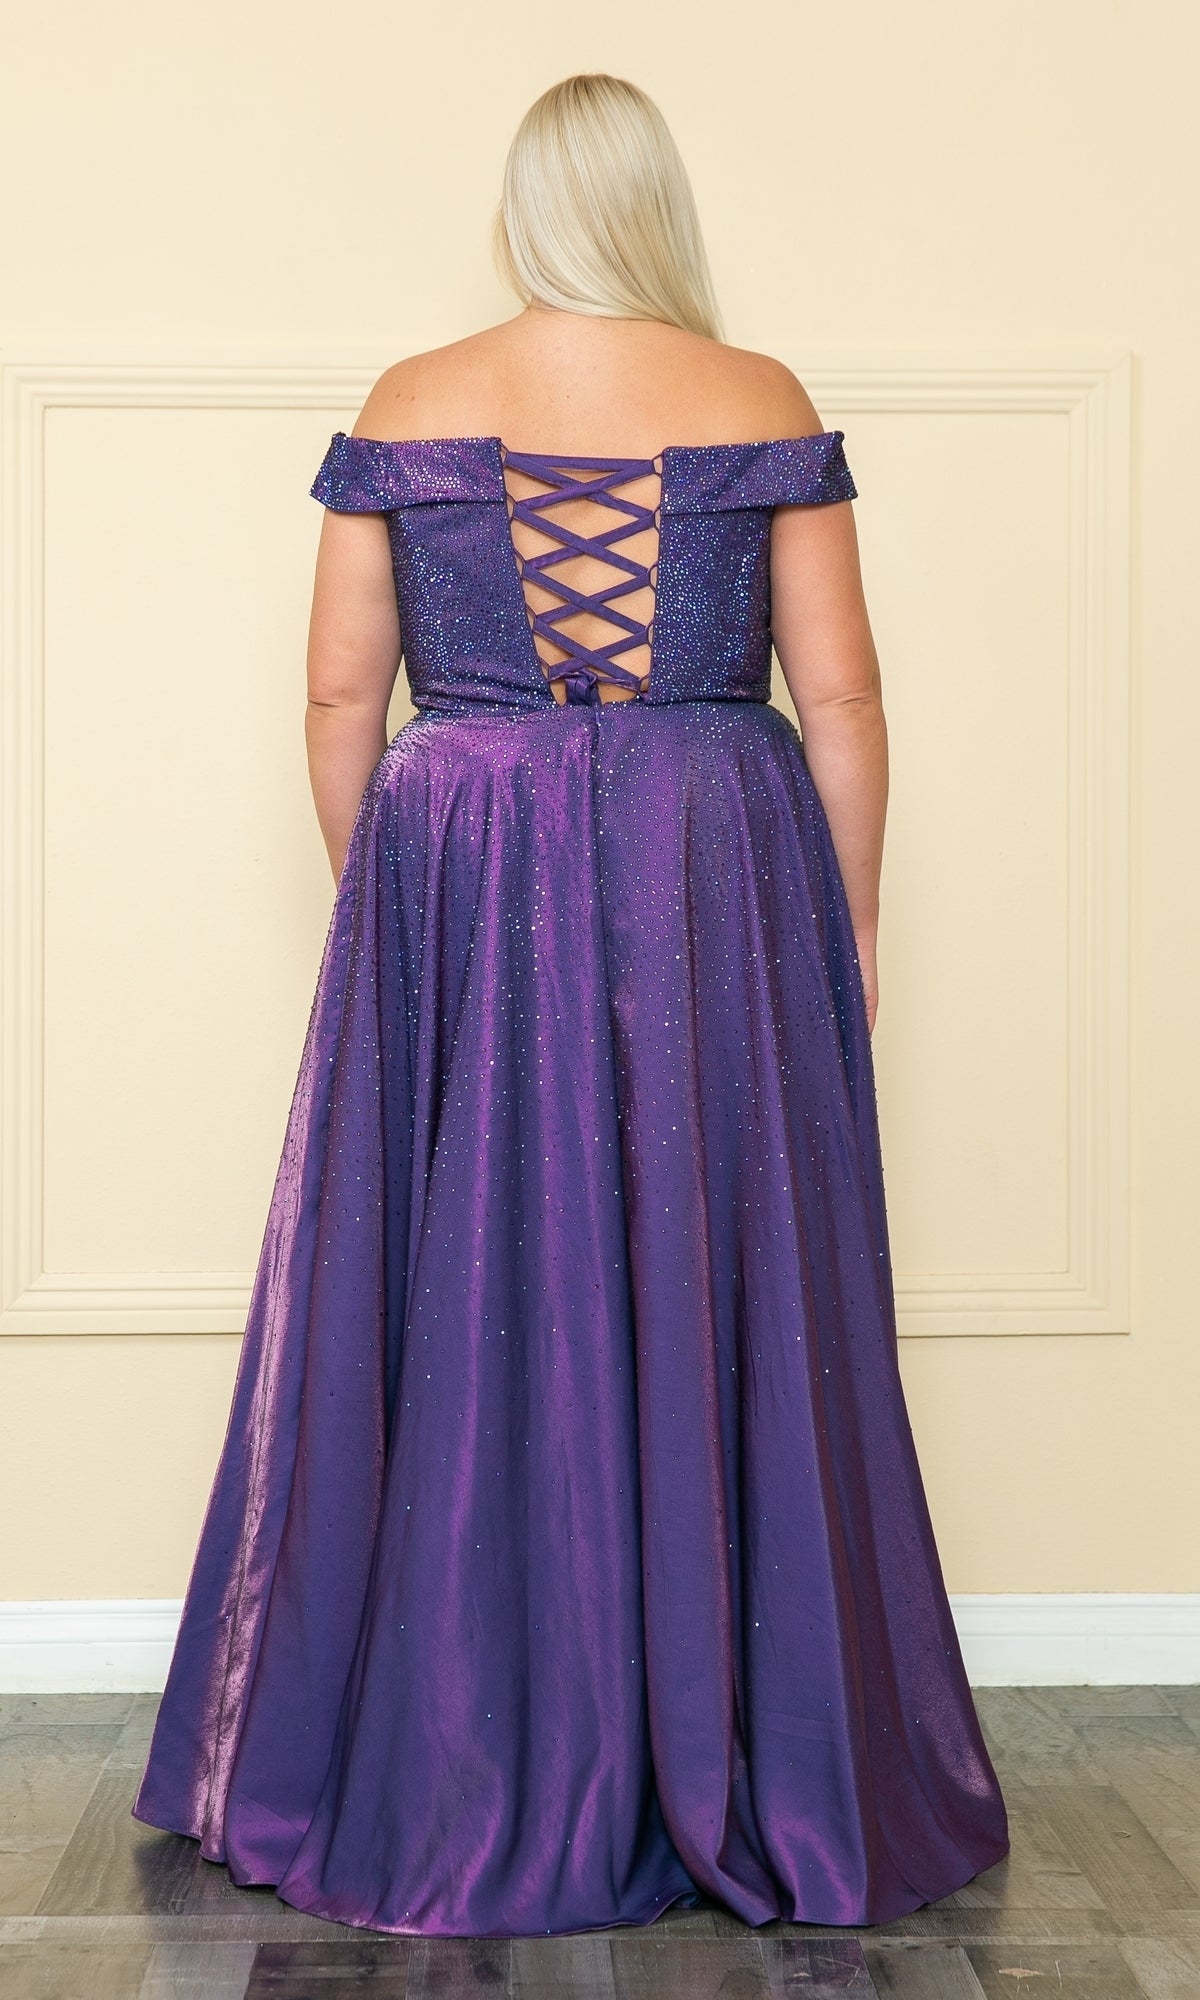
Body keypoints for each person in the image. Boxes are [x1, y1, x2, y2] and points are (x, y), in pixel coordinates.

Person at [131, 70, 1008, 1938]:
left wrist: (408, 901)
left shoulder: (410, 404)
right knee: (711, 1274)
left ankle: (461, 1746)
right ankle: (731, 1743)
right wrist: (846, 929)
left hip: (471, 849)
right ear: (657, 209)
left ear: (523, 211)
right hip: (714, 869)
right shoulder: (757, 399)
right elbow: (842, 703)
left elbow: (332, 701)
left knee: (476, 1284)